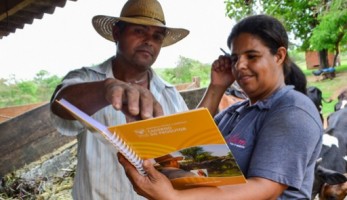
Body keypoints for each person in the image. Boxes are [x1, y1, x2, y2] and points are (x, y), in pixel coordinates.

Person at [119, 14, 323, 199]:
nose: (240, 65)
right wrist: (216, 87)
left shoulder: (293, 111)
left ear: (279, 56)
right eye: (235, 59)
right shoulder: (235, 112)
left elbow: (265, 188)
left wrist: (174, 197)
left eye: (252, 56)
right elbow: (185, 145)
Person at [49, 0, 189, 199]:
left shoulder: (170, 94)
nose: (149, 41)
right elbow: (59, 102)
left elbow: (184, 152)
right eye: (140, 31)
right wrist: (106, 89)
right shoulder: (87, 79)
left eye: (157, 36)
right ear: (117, 33)